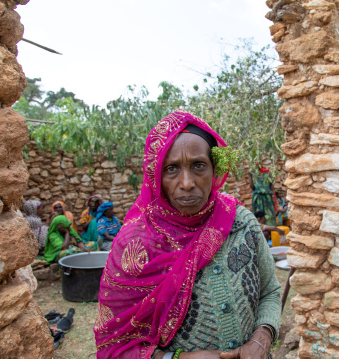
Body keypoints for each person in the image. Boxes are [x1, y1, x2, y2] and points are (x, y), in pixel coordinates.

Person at [94, 109, 281, 359]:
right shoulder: (134, 244)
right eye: (172, 169)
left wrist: (262, 338)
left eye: (198, 166)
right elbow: (116, 344)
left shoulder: (241, 221)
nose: (186, 183)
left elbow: (269, 291)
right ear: (156, 176)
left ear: (214, 169)